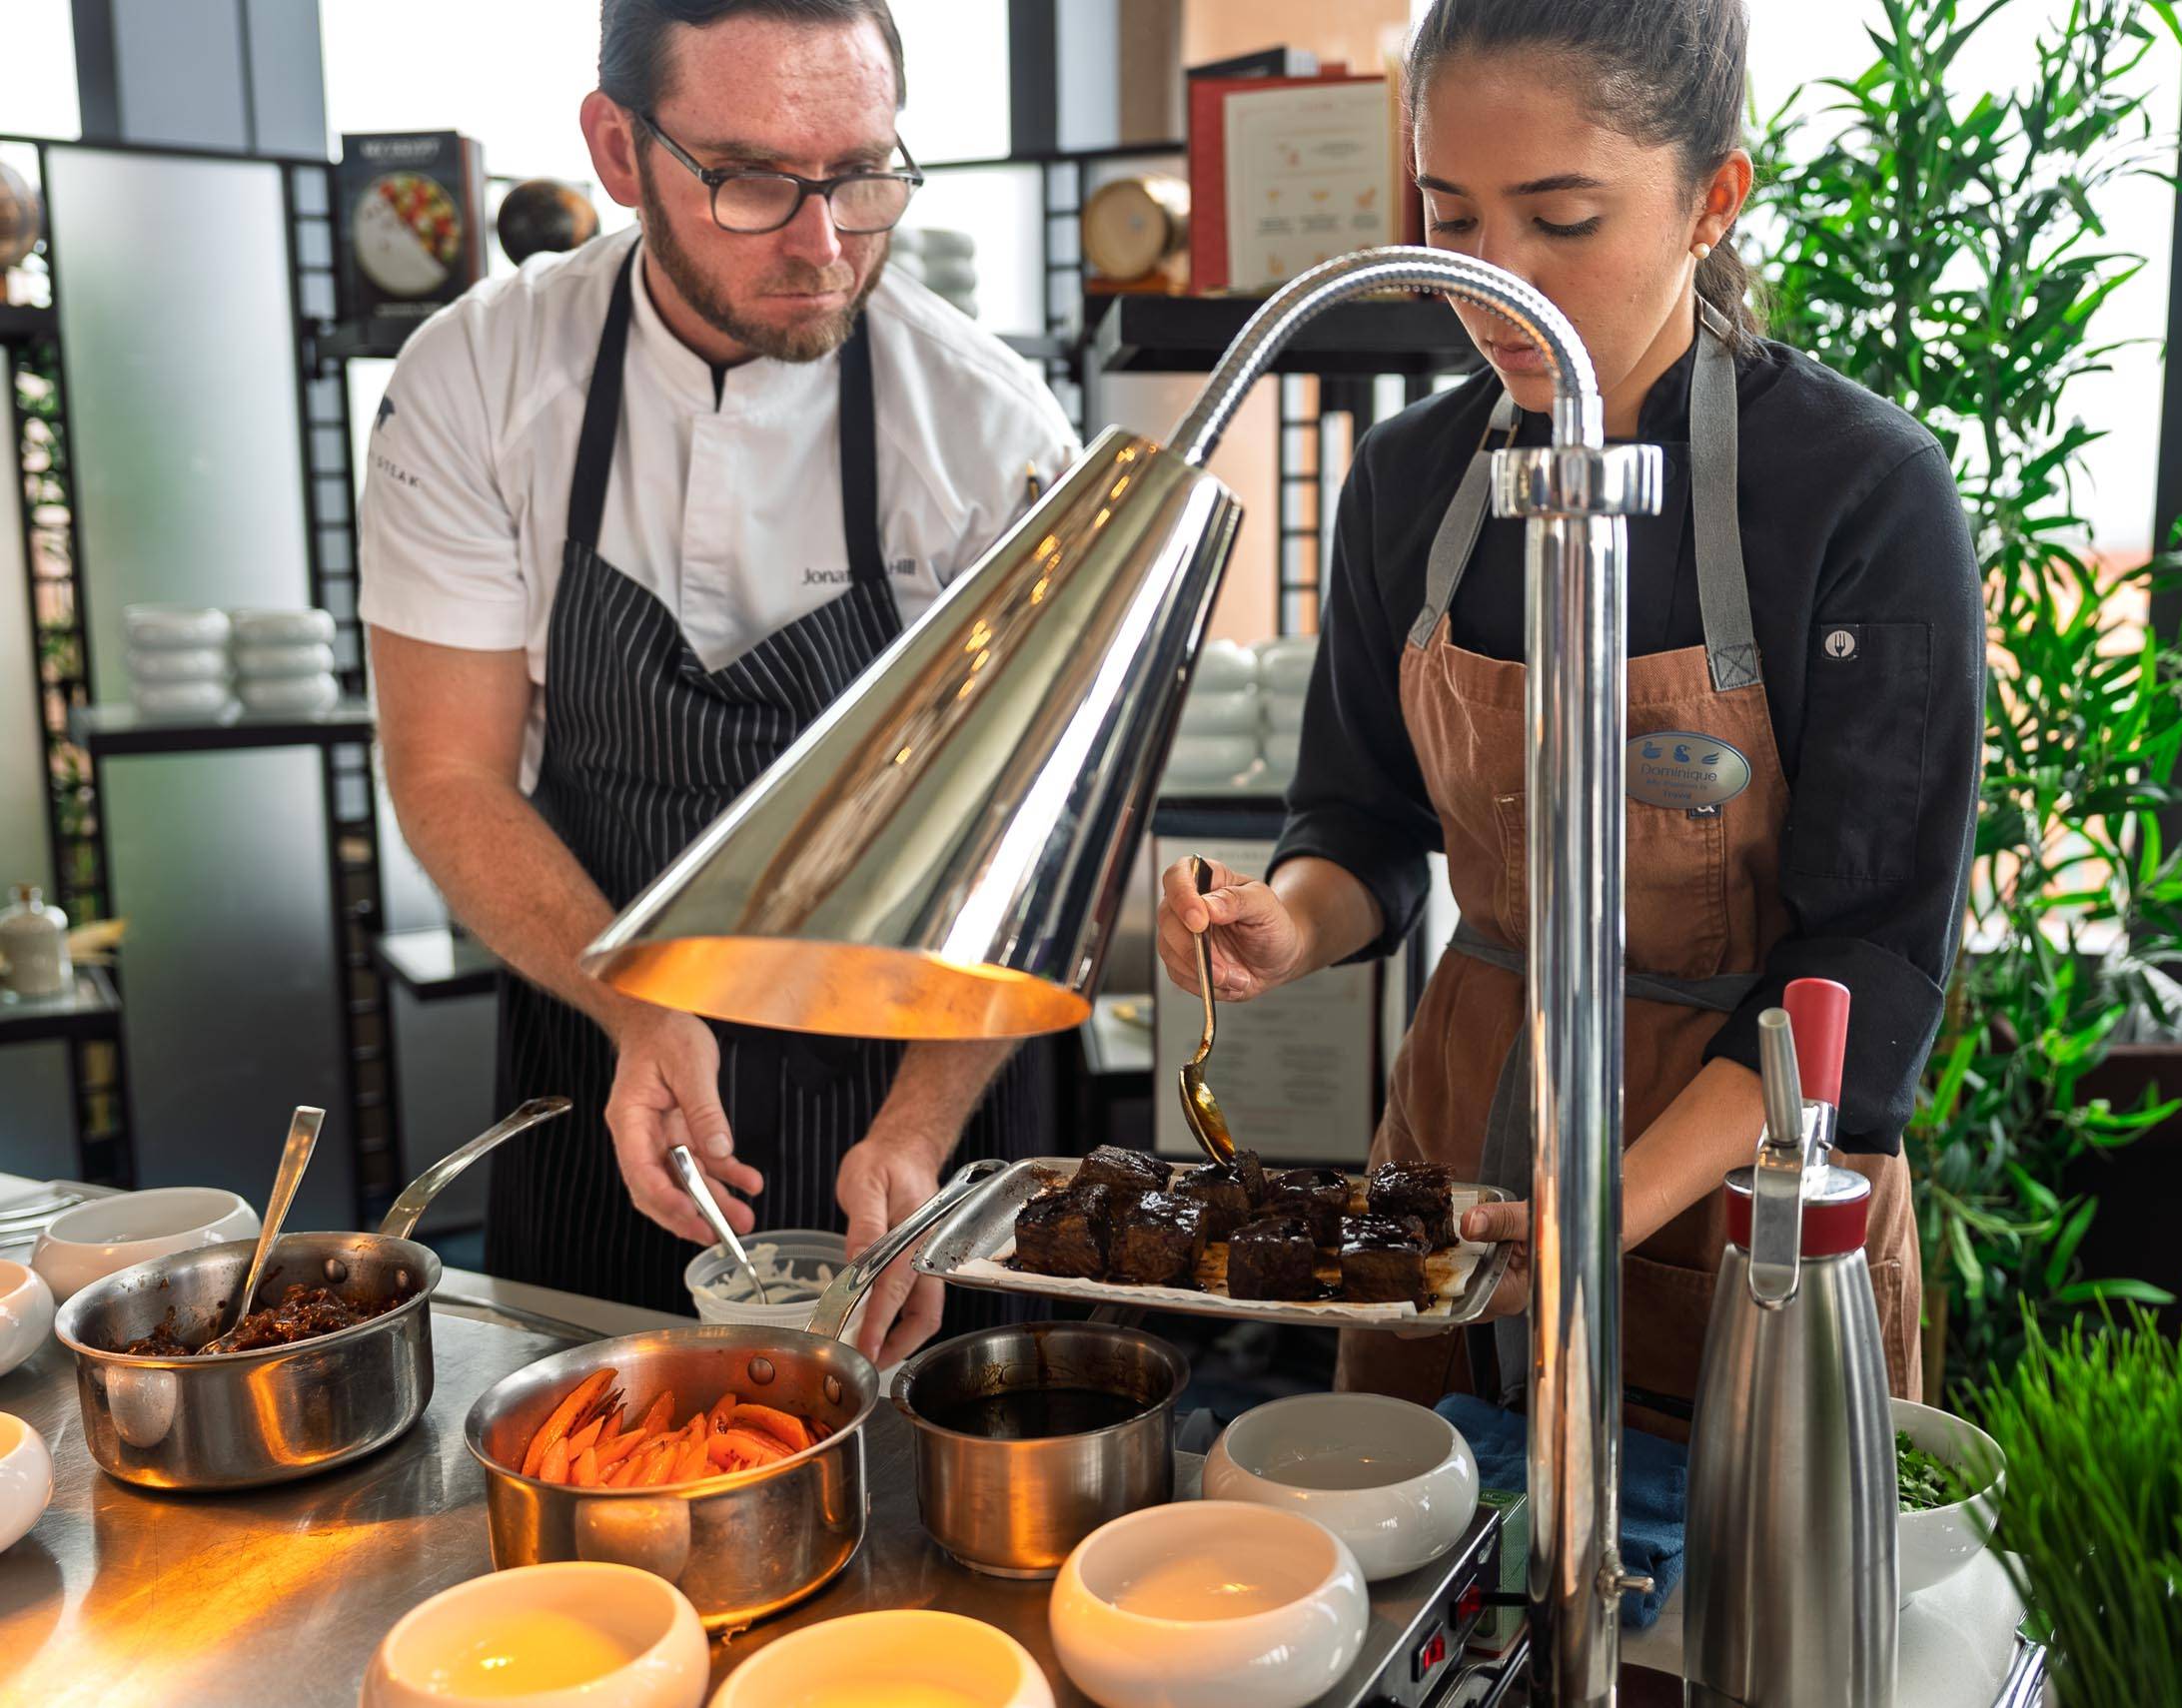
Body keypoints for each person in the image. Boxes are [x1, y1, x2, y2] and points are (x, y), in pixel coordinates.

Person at [1155, 0, 1982, 1436]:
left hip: (1744, 1183)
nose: (1495, 286)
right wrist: (1287, 920)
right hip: (1457, 1142)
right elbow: (1362, 826)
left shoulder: (1860, 496)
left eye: (1562, 219)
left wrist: (1599, 1211)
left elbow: (1867, 967)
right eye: (1452, 217)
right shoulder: (1412, 481)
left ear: (1714, 198)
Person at [362, 0, 1078, 1357]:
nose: (823, 245)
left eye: (863, 174)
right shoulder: (477, 381)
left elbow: (1026, 848)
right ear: (619, 152)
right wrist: (638, 1013)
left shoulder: (987, 430)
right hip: (607, 1052)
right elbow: (446, 769)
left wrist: (920, 1129)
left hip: (923, 1069)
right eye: (752, 180)